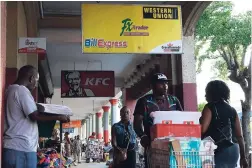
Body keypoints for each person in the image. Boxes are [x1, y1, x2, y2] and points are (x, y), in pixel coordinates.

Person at [2, 65, 70, 168]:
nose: (35, 84)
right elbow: (34, 116)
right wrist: (59, 117)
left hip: (14, 147)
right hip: (22, 148)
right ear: (31, 78)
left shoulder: (10, 90)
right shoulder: (22, 91)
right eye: (36, 80)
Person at [133, 73, 183, 168]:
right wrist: (143, 136)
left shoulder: (174, 100)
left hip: (174, 144)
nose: (165, 86)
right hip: (153, 145)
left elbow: (182, 119)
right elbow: (137, 124)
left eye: (166, 83)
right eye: (161, 83)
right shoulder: (144, 101)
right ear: (152, 86)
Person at [200, 80, 248, 168]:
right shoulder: (233, 110)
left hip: (217, 150)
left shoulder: (209, 107)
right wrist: (243, 157)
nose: (205, 95)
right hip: (234, 150)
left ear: (212, 93)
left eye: (207, 93)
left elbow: (203, 129)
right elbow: (240, 136)